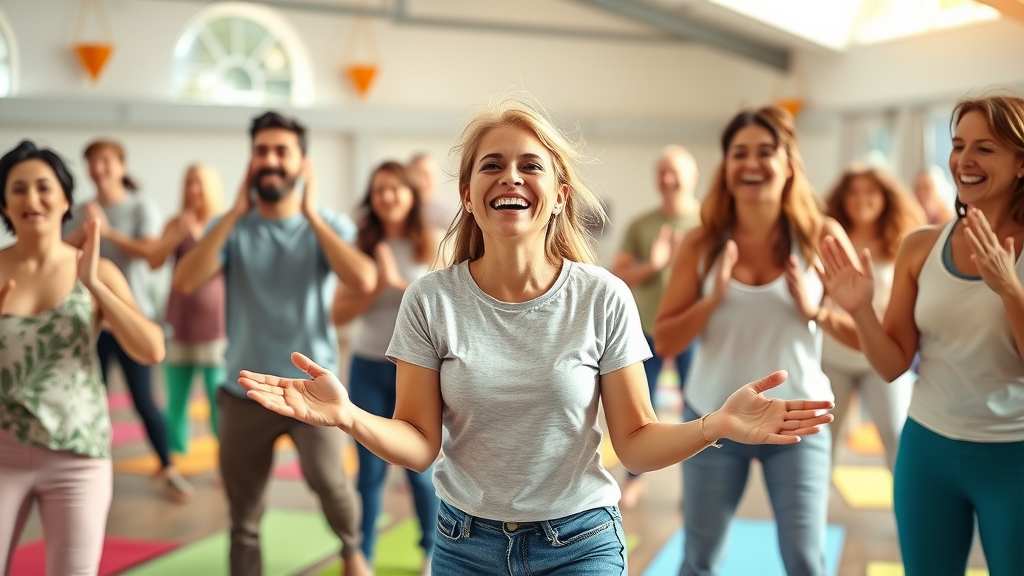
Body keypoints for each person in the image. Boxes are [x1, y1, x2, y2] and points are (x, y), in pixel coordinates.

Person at [238, 97, 834, 576]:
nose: (511, 178)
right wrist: (349, 418)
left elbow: (635, 443)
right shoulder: (431, 299)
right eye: (491, 166)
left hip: (580, 543)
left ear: (559, 196)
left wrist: (715, 426)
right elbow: (419, 445)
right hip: (463, 543)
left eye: (530, 165)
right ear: (468, 197)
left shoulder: (603, 297)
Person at [821, 95, 1024, 576]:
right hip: (927, 451)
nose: (964, 160)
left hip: (1012, 458)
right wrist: (860, 311)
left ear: (1021, 163)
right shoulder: (921, 246)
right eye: (958, 145)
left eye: (985, 148)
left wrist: (1009, 288)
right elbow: (893, 364)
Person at [654, 105, 860, 576]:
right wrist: (713, 299)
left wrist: (815, 310)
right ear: (725, 167)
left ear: (789, 163)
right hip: (715, 418)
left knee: (806, 562)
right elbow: (665, 339)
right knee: (699, 561)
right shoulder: (702, 243)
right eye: (739, 153)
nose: (752, 163)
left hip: (799, 421)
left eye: (765, 152)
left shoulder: (820, 237)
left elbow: (870, 339)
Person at [171, 111, 376, 576]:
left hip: (313, 389)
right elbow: (185, 281)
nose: (270, 160)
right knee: (243, 514)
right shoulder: (230, 227)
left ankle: (352, 551)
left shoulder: (327, 224)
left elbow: (364, 278)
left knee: (332, 485)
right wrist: (235, 215)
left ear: (302, 163)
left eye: (281, 151)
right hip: (243, 389)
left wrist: (307, 212)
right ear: (250, 161)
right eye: (261, 151)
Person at [0, 140, 165, 575]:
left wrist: (96, 285)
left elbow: (151, 349)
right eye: (18, 189)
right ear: (3, 202)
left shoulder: (95, 271)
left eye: (43, 187)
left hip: (78, 455)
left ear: (66, 199)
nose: (31, 199)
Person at [64, 138, 192, 502]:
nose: (100, 168)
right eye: (93, 162)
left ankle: (168, 467)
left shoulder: (140, 206)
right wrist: (85, 229)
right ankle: (89, 467)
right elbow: (56, 254)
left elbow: (152, 254)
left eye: (106, 161)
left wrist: (106, 231)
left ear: (121, 166)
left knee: (143, 400)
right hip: (89, 322)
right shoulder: (79, 210)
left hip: (133, 319)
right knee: (91, 398)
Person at [331, 161, 439, 575]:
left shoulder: (431, 245)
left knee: (421, 470)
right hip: (367, 366)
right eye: (379, 190)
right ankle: (364, 556)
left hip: (418, 372)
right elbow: (337, 314)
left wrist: (396, 283)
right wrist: (374, 286)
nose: (387, 197)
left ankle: (433, 552)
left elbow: (443, 311)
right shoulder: (361, 246)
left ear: (411, 195)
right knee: (369, 472)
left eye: (396, 189)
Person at [610, 144, 702, 509]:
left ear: (693, 177)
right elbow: (619, 275)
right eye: (661, 172)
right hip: (644, 331)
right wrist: (656, 264)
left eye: (674, 172)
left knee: (694, 410)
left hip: (692, 332)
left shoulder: (708, 224)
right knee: (637, 412)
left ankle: (693, 486)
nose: (667, 179)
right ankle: (634, 480)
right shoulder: (641, 225)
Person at [821, 165, 923, 471]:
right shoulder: (830, 238)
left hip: (883, 357)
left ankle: (907, 509)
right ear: (842, 198)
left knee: (896, 435)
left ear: (885, 198)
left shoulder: (903, 243)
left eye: (870, 192)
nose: (861, 199)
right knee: (825, 440)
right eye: (853, 192)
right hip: (834, 355)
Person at [147, 164, 227, 454]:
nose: (194, 190)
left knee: (218, 402)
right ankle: (175, 457)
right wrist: (175, 236)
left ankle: (225, 459)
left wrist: (199, 236)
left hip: (216, 329)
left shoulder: (221, 226)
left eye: (200, 184)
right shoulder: (174, 223)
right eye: (189, 183)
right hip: (179, 326)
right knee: (176, 401)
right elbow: (153, 262)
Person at [407, 153, 457, 232]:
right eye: (417, 174)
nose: (421, 181)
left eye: (427, 175)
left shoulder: (448, 213)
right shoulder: (401, 212)